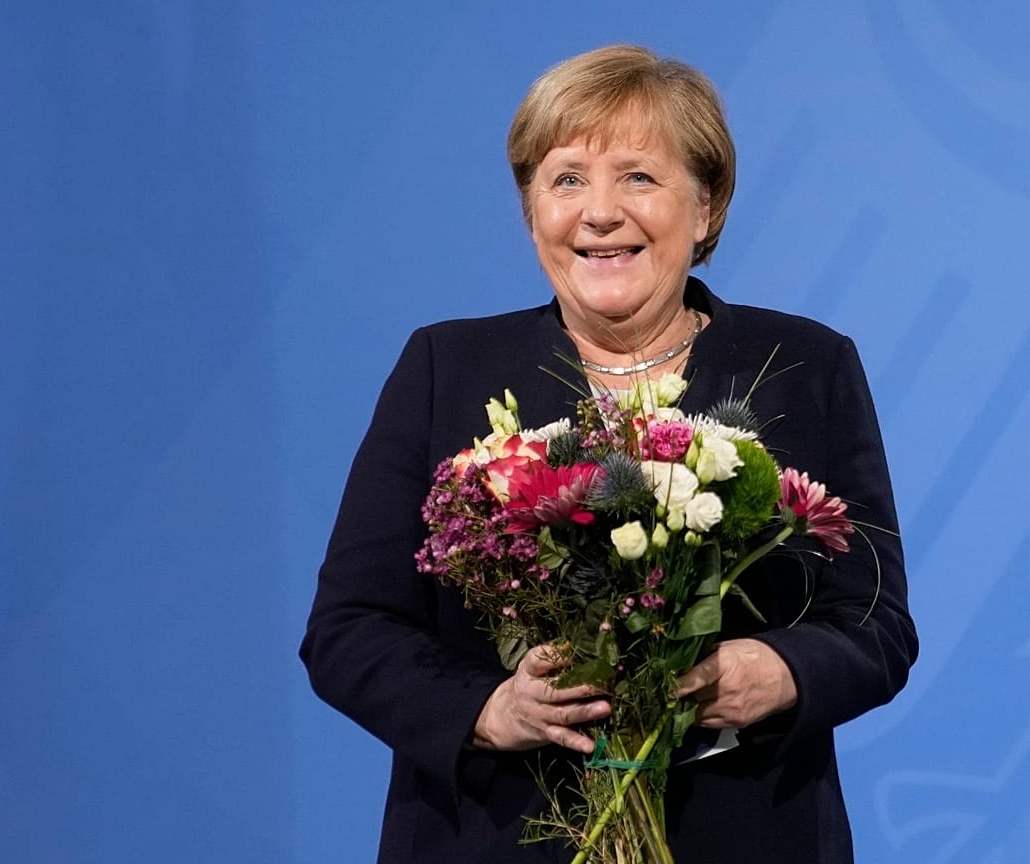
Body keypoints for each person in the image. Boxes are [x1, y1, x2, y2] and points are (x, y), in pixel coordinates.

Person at [299, 45, 917, 863]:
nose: (598, 213)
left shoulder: (807, 364)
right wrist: (489, 710)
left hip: (743, 833)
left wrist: (777, 669)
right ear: (530, 208)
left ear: (705, 207)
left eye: (638, 177)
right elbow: (347, 629)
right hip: (494, 836)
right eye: (566, 179)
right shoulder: (446, 368)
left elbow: (875, 621)